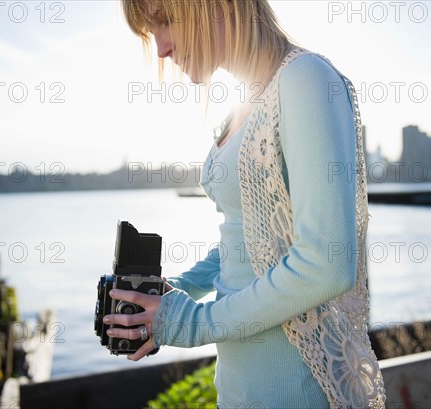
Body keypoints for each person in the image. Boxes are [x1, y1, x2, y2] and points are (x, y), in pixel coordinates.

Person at [103, 1, 386, 407]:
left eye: (164, 21)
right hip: (239, 391)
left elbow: (325, 263)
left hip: (297, 391)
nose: (161, 49)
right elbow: (254, 241)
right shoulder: (241, 106)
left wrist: (191, 322)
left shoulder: (306, 80)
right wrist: (178, 290)